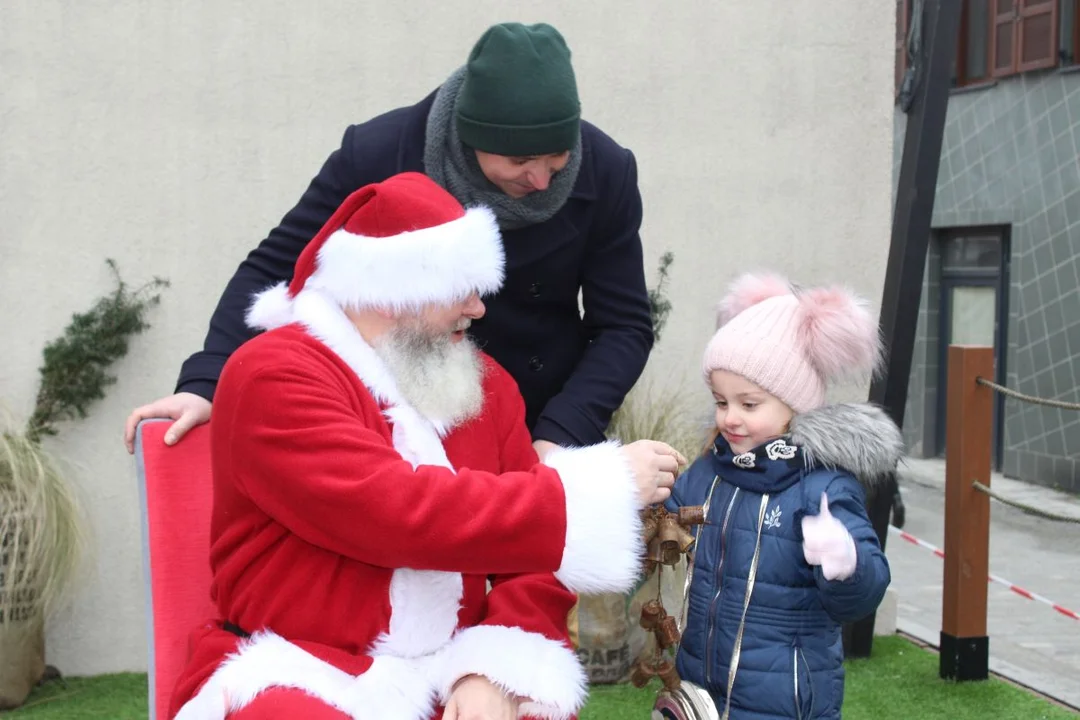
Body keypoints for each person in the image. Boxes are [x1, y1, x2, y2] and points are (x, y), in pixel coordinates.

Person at [168, 172, 683, 720]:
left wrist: (491, 671)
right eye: (459, 289)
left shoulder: (484, 386)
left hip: (449, 666)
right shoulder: (272, 374)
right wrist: (585, 490)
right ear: (395, 291)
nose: (478, 308)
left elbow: (531, 566)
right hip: (298, 667)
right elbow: (392, 512)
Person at [124, 21, 653, 461]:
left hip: (534, 423)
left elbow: (623, 325)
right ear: (472, 139)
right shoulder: (378, 152)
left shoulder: (606, 170)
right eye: (519, 161)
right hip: (392, 423)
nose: (540, 180)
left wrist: (560, 435)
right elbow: (277, 268)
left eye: (557, 159)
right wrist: (206, 381)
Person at [665, 272, 899, 719]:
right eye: (720, 400)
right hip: (700, 688)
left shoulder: (823, 488)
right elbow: (662, 529)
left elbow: (860, 599)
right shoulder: (708, 471)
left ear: (795, 403)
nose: (730, 418)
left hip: (784, 702)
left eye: (748, 404)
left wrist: (846, 565)